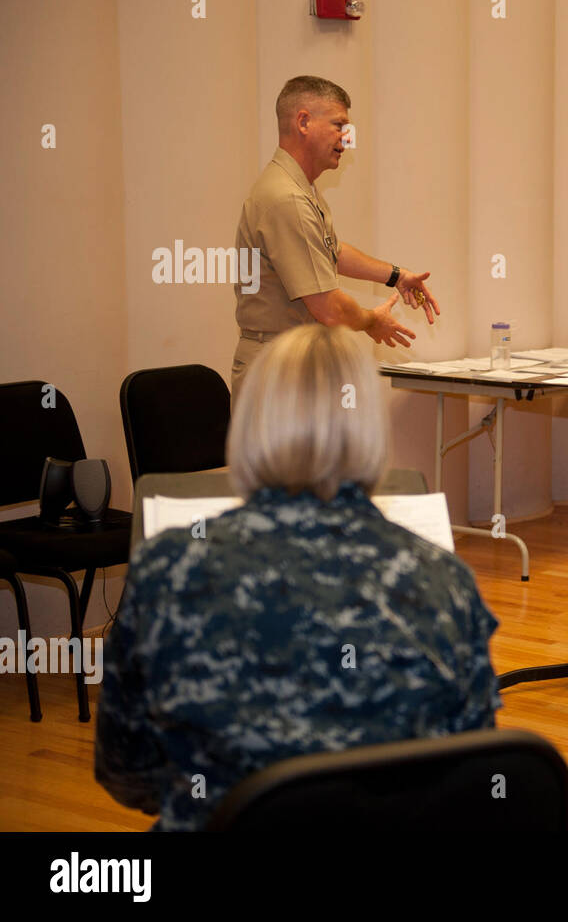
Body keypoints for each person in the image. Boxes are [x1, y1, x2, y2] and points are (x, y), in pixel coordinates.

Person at [95, 325, 500, 831]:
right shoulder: (445, 583)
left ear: (249, 426)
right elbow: (473, 779)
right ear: (372, 432)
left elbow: (125, 771)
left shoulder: (167, 569)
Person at [231, 75, 441, 402]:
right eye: (339, 125)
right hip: (278, 370)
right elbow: (329, 308)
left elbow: (331, 251)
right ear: (303, 122)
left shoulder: (299, 188)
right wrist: (373, 321)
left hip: (292, 363)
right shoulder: (287, 199)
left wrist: (396, 276)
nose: (346, 139)